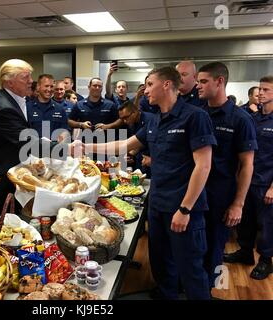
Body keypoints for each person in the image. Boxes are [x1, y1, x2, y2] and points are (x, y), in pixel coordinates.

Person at [84, 66, 216, 300]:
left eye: (150, 85)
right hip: (157, 206)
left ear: (166, 85)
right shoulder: (155, 121)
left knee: (191, 270)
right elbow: (124, 145)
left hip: (183, 208)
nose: (145, 91)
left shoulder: (195, 116)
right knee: (161, 264)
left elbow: (203, 166)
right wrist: (86, 148)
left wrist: (185, 209)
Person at [0, 59, 82, 215]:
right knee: (2, 225)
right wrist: (66, 149)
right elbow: (27, 141)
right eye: (25, 77)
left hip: (13, 171)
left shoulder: (16, 100)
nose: (30, 81)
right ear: (9, 82)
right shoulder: (3, 107)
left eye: (30, 77)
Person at [196, 62, 257, 289]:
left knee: (214, 247)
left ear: (219, 81)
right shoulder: (198, 114)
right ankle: (192, 286)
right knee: (193, 244)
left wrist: (238, 204)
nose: (198, 87)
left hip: (220, 194)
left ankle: (207, 291)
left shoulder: (240, 119)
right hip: (195, 192)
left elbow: (247, 164)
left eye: (203, 82)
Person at [224, 76, 273, 280]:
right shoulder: (252, 116)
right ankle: (245, 253)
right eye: (260, 89)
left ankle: (265, 260)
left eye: (266, 90)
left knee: (267, 224)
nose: (260, 93)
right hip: (248, 180)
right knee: (246, 222)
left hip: (266, 182)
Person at [27, 74, 69, 141]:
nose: (49, 89)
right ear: (38, 86)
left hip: (54, 149)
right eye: (46, 86)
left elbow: (65, 129)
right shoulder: (27, 108)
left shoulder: (59, 109)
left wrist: (63, 136)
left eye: (51, 86)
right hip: (33, 149)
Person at [118, 100, 153, 172]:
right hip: (140, 161)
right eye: (122, 119)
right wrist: (130, 155)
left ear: (134, 112)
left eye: (126, 117)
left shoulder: (151, 120)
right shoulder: (131, 123)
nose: (124, 121)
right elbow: (137, 143)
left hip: (153, 161)